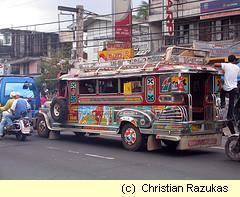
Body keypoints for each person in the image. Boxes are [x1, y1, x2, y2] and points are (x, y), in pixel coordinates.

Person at [215, 55, 240, 134]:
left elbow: (216, 64)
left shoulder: (226, 65)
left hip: (227, 88)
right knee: (231, 105)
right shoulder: (237, 68)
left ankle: (223, 104)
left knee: (222, 92)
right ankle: (230, 117)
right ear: (234, 60)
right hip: (234, 88)